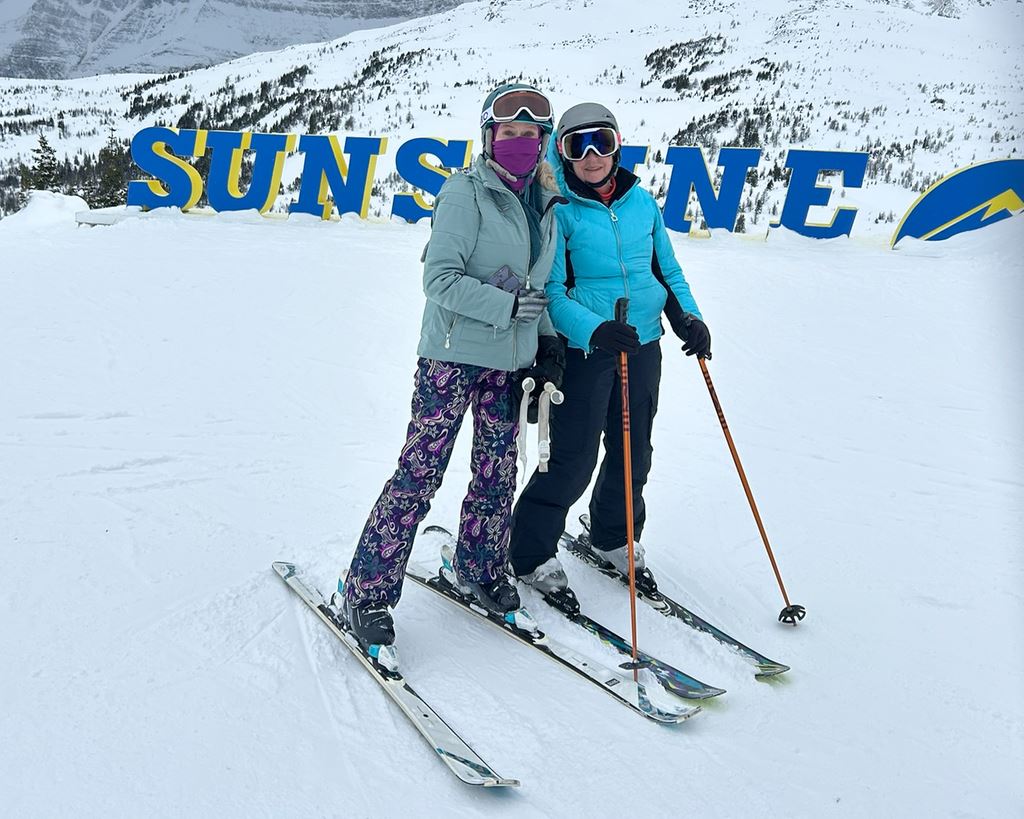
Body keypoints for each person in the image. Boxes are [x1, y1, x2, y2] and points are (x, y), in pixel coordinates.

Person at [338, 83, 566, 649]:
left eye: (530, 134)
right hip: (452, 357)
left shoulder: (546, 203)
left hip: (508, 364)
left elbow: (536, 287)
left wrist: (547, 339)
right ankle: (365, 590)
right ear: (489, 137)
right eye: (508, 133)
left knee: (497, 473)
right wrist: (508, 308)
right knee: (421, 473)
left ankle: (481, 568)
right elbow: (438, 280)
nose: (520, 142)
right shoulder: (466, 192)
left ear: (544, 142)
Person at [507, 102, 712, 608]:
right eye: (579, 145)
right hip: (587, 351)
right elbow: (553, 291)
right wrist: (595, 329)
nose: (593, 155)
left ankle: (612, 535)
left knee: (633, 450)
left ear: (618, 145)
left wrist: (687, 316)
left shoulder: (643, 204)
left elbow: (666, 271)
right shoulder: (562, 211)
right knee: (573, 456)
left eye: (602, 141)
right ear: (565, 153)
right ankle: (530, 551)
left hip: (643, 346)